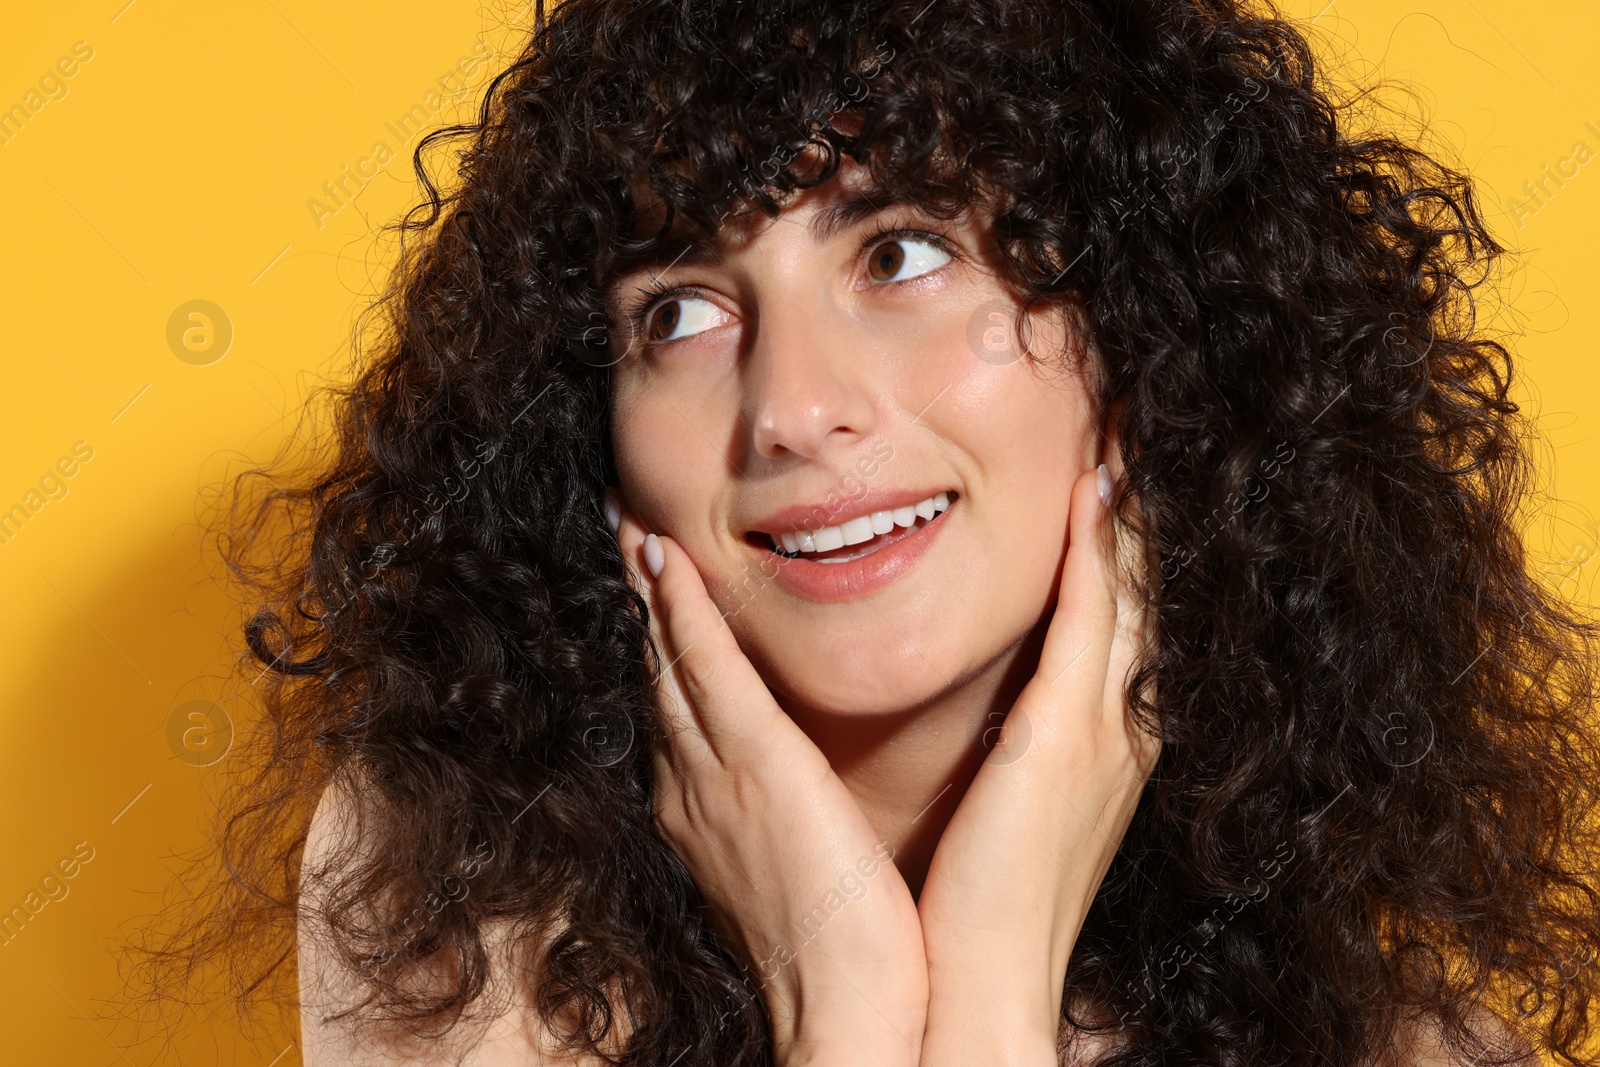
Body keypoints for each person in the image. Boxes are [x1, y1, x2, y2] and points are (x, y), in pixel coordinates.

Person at [145, 0, 1600, 1064]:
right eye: (682, 311)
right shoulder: (459, 896)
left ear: (1154, 335)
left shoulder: (1403, 1046)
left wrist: (988, 982)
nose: (790, 409)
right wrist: (836, 991)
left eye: (900, 253)